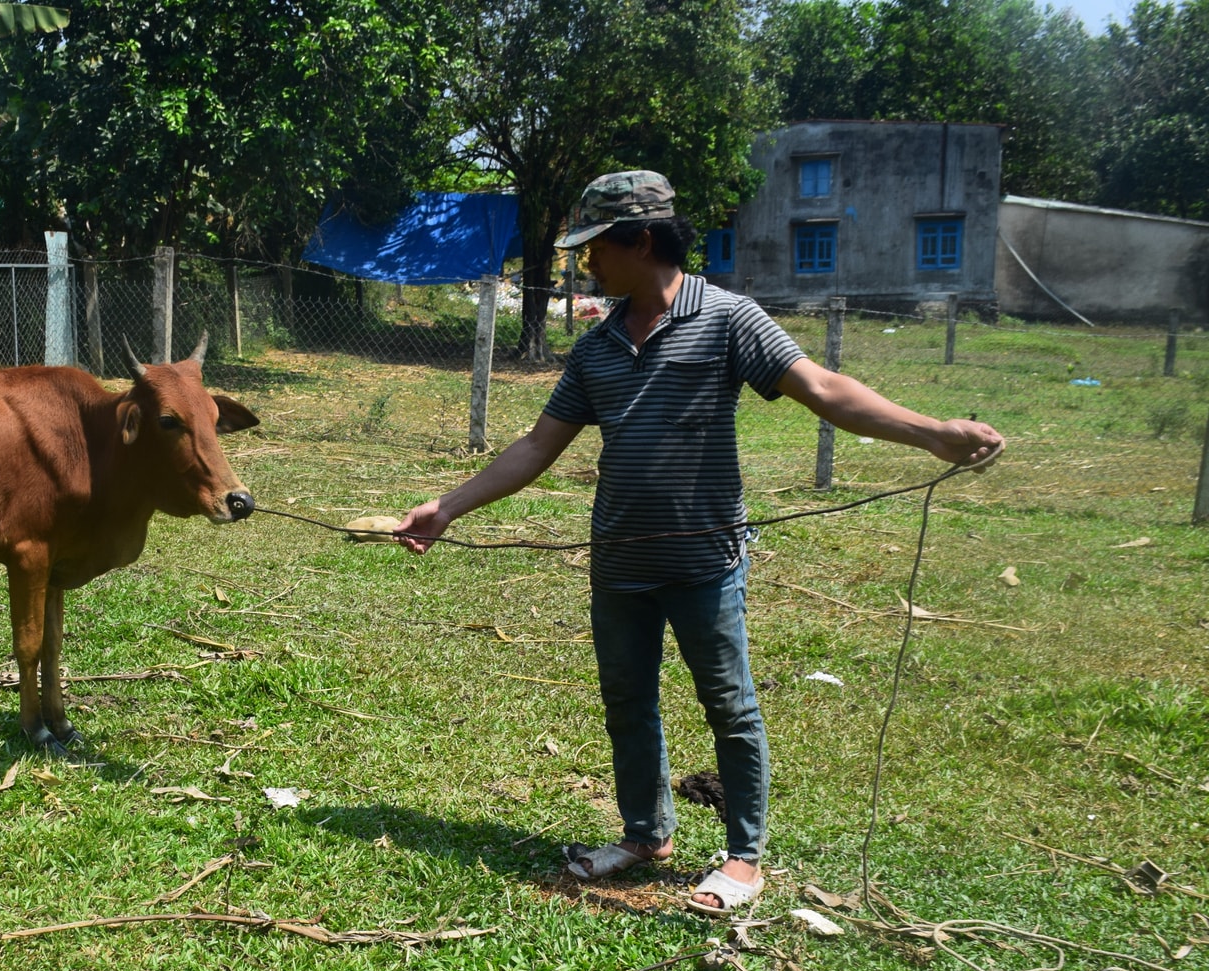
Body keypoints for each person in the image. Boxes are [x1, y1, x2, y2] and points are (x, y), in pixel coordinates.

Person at [395, 170, 1003, 917]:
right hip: (619, 559)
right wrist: (447, 508)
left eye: (597, 249)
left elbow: (825, 389)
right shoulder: (597, 349)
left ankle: (744, 857)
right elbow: (536, 445)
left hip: (705, 560)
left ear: (642, 240)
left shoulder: (729, 320)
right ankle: (646, 835)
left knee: (729, 703)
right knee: (628, 700)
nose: (589, 266)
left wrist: (932, 433)